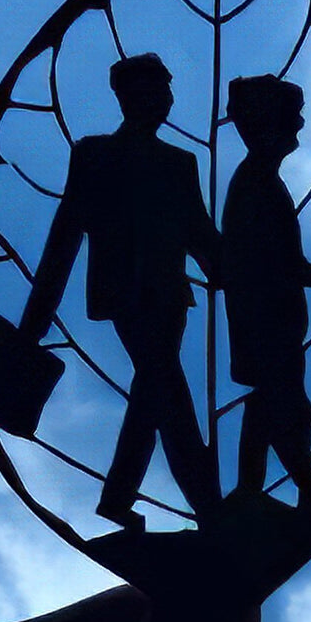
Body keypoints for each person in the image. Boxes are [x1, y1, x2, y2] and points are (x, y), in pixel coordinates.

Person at [20, 54, 221, 530]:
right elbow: (65, 238)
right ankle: (206, 510)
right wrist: (34, 324)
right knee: (164, 390)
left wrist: (242, 267)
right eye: (153, 91)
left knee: (162, 394)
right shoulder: (94, 154)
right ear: (127, 97)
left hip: (172, 296)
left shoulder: (181, 163)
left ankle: (159, 504)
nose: (163, 101)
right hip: (125, 293)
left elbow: (201, 235)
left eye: (167, 92)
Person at [222, 74, 311, 504]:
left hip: (276, 319)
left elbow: (285, 263)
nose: (301, 125)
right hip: (265, 319)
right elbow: (278, 263)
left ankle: (257, 491)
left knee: (273, 406)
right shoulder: (255, 186)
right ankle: (299, 488)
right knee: (284, 407)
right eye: (293, 117)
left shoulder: (264, 182)